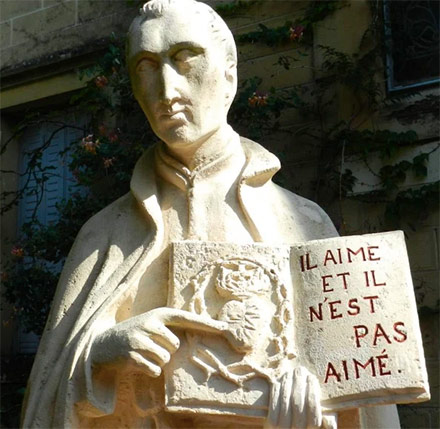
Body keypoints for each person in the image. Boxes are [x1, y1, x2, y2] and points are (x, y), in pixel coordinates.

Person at [21, 0, 400, 427]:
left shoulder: (304, 223)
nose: (167, 90)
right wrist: (98, 356)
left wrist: (318, 416)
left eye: (186, 59)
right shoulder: (105, 234)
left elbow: (368, 400)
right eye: (146, 67)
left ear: (229, 75)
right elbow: (45, 400)